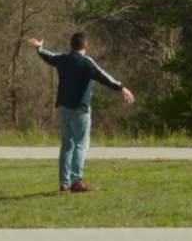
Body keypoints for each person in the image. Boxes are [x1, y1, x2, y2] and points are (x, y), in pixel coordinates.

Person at [26, 32, 135, 192]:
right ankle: (76, 181)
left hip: (63, 107)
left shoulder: (63, 59)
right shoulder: (86, 62)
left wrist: (39, 48)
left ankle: (64, 183)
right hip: (80, 109)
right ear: (86, 45)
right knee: (80, 145)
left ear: (71, 45)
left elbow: (49, 56)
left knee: (66, 146)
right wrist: (121, 88)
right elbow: (103, 76)